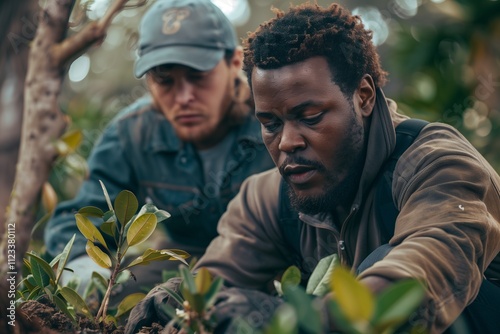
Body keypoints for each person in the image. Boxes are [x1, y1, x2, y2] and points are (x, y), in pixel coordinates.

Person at [125, 2, 500, 333]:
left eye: (310, 116)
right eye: (270, 123)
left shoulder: (439, 165)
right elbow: (215, 284)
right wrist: (174, 300)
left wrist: (288, 317)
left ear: (364, 96)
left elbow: (414, 286)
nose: (287, 142)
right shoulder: (265, 198)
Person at [44, 0, 274, 296]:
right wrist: (88, 274)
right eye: (164, 80)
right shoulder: (132, 133)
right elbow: (80, 221)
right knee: (124, 292)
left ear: (234, 63)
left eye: (198, 76)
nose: (183, 97)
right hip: (184, 260)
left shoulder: (273, 116)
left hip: (272, 261)